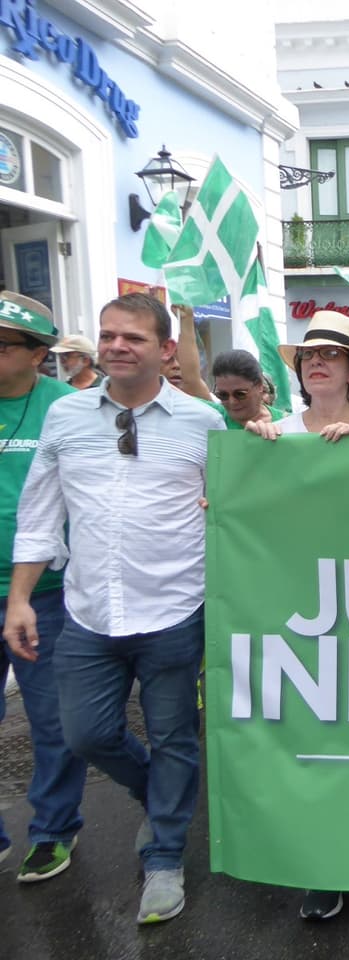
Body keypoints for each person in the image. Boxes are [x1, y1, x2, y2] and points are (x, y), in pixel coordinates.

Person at [4, 292, 224, 924]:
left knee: (176, 736)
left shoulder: (202, 422)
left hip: (176, 610)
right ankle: (159, 793)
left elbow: (233, 510)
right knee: (86, 733)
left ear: (163, 350)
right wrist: (20, 598)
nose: (116, 346)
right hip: (88, 613)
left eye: (132, 337)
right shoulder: (66, 418)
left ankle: (164, 858)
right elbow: (41, 513)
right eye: (108, 335)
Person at [246, 311, 349, 920]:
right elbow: (255, 510)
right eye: (309, 355)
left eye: (331, 355)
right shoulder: (274, 434)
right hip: (306, 607)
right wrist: (235, 485)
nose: (317, 362)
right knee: (320, 736)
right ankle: (326, 867)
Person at [0, 293, 87, 885]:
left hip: (46, 593)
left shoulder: (71, 410)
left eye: (3, 345)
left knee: (53, 720)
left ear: (37, 355)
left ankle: (53, 831)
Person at [249, 312, 349, 445]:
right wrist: (254, 447)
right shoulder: (280, 433)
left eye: (330, 353)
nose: (315, 361)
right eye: (307, 353)